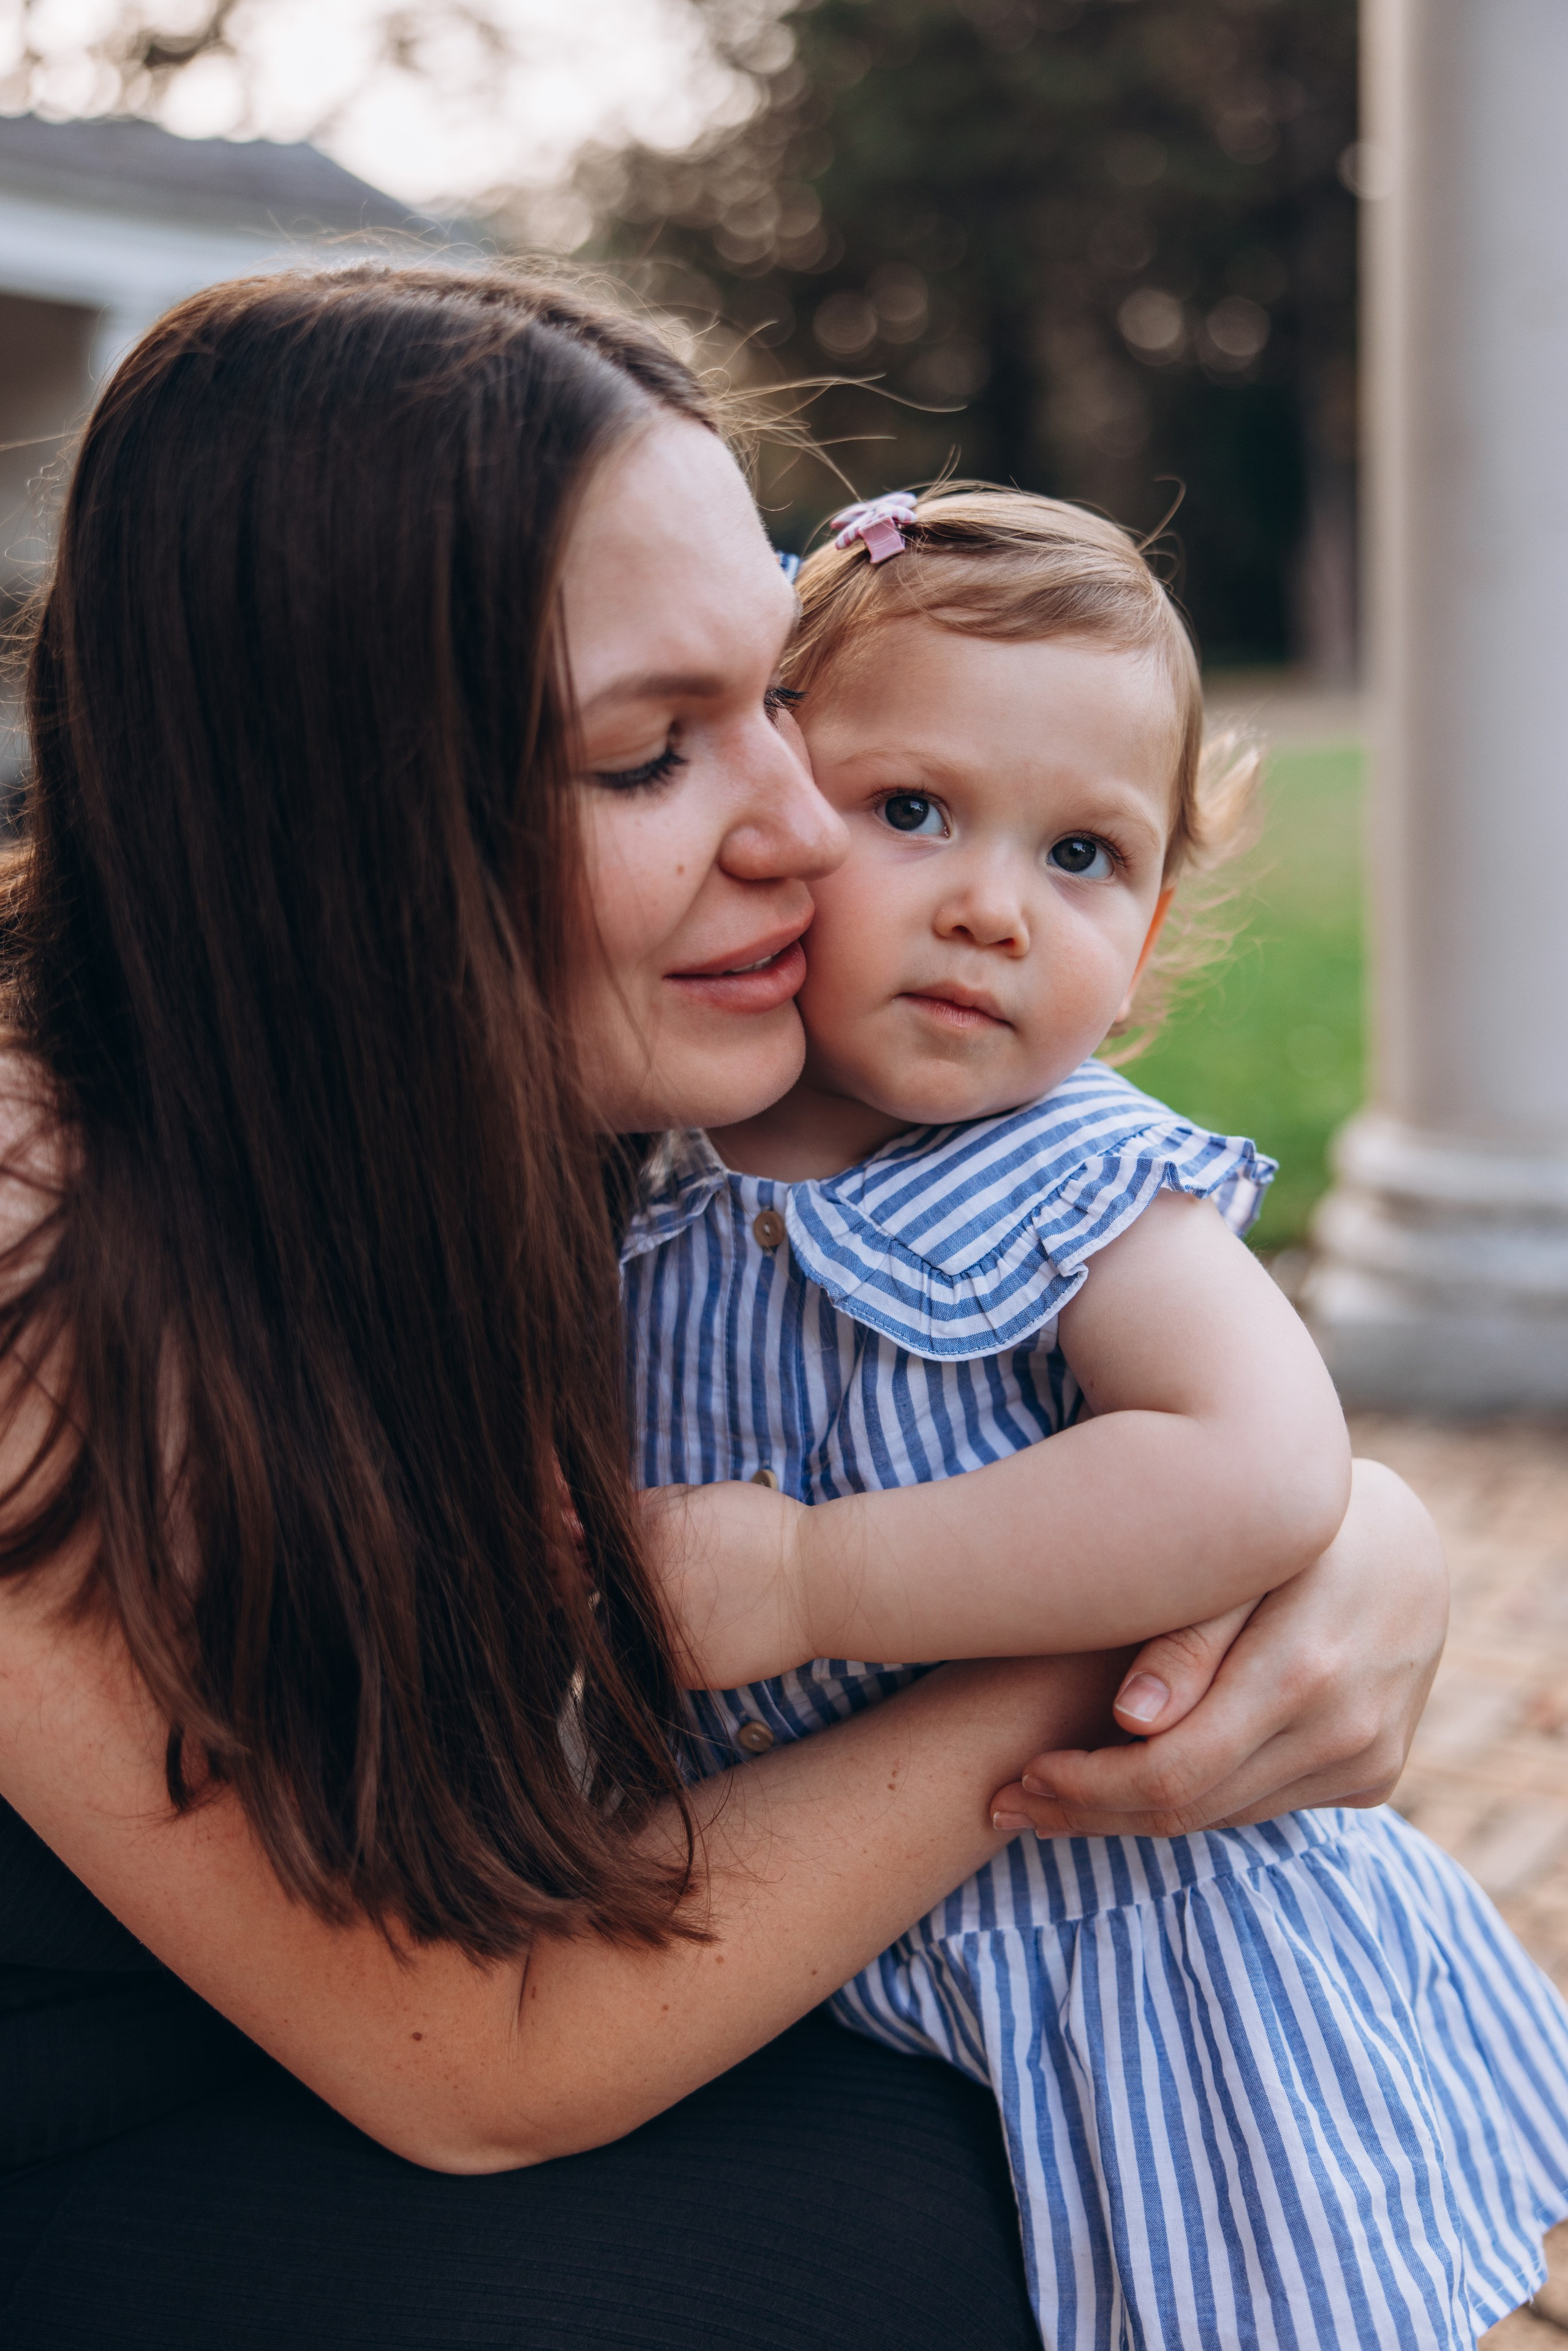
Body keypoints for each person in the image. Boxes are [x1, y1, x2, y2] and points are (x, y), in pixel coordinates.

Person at [0, 266, 1447, 2351]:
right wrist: (1105, 1647)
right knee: (951, 2219)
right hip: (115, 2134)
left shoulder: (607, 1089)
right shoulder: (43, 1222)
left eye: (775, 698)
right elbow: (475, 2064)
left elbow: (1124, 1358)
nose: (799, 827)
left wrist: (1334, 1537)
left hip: (400, 2051)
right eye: (648, 756)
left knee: (1075, 2138)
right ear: (341, 824)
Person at [624, 486, 1568, 2350]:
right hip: (801, 1931)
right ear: (774, 810)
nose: (991, 903)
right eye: (915, 813)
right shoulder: (642, 1169)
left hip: (1129, 1943)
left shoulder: (1077, 1188)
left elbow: (1259, 1467)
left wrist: (817, 1578)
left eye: (1085, 855)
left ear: (1146, 940)